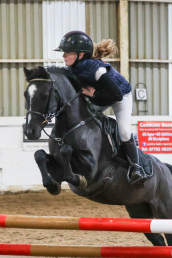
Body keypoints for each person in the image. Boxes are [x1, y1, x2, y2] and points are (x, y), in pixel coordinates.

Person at [54, 30, 146, 186]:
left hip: (120, 96)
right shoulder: (72, 69)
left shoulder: (95, 68)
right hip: (99, 95)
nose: (63, 56)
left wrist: (94, 93)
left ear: (81, 55)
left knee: (123, 130)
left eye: (67, 52)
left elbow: (115, 95)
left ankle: (136, 166)